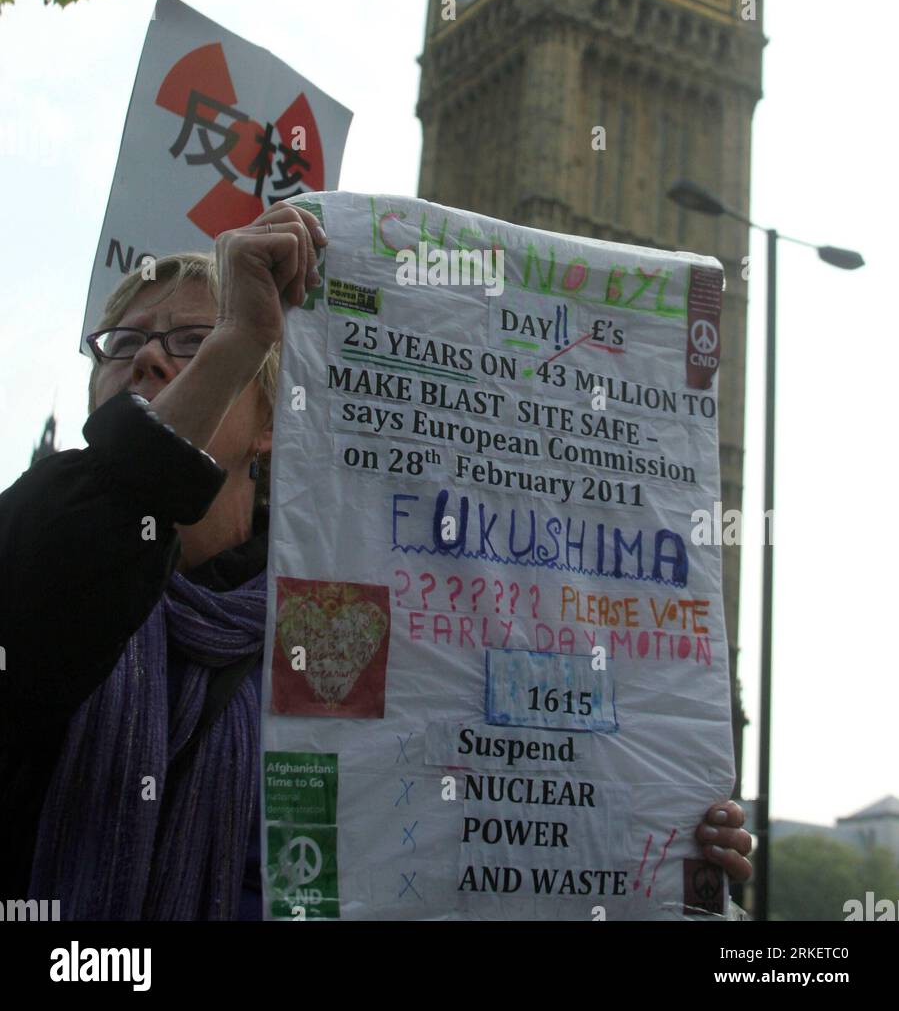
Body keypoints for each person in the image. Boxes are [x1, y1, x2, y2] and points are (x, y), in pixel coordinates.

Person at [0, 200, 753, 920]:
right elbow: (76, 540)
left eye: (193, 341)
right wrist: (235, 342)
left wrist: (652, 839)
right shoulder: (42, 561)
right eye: (122, 343)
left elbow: (475, 836)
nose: (149, 358)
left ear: (271, 422)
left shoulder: (345, 617)